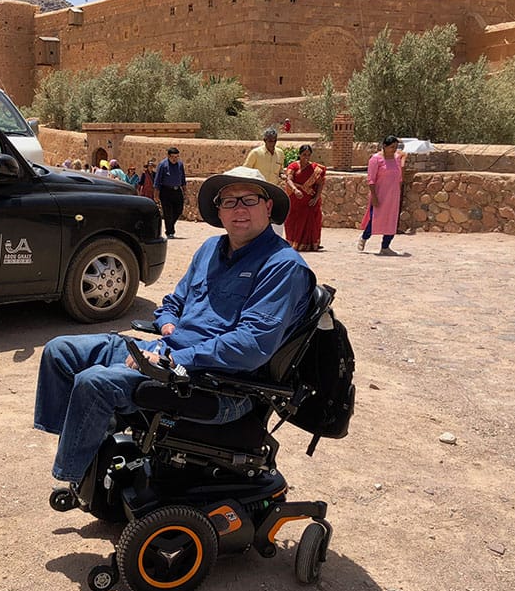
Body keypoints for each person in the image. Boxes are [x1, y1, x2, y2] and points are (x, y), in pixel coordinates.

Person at [34, 166, 315, 487]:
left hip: (219, 384)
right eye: (229, 201)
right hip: (168, 354)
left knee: (94, 382)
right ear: (218, 211)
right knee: (60, 351)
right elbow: (173, 303)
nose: (239, 208)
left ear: (268, 207)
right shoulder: (210, 248)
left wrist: (176, 359)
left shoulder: (282, 267)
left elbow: (250, 347)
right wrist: (168, 325)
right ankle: (84, 449)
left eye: (249, 200)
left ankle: (75, 478)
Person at [358, 135, 406, 256]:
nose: (394, 149)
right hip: (380, 194)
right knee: (375, 219)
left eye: (396, 147)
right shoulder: (376, 159)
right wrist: (374, 196)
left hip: (393, 195)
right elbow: (371, 179)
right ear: (384, 146)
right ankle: (364, 237)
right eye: (391, 147)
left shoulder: (396, 159)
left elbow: (400, 175)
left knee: (392, 220)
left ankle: (385, 246)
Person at [284, 144, 326, 251]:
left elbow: (320, 183)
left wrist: (316, 198)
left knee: (311, 222)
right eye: (304, 154)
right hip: (295, 200)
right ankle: (293, 242)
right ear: (299, 154)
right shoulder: (293, 166)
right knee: (292, 221)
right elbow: (288, 179)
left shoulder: (314, 169)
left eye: (308, 155)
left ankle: (309, 244)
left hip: (309, 202)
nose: (306, 157)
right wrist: (295, 189)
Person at [244, 127, 285, 236]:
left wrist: (283, 175)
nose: (273, 143)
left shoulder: (280, 153)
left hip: (273, 191)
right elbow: (246, 171)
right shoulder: (256, 153)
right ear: (264, 140)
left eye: (275, 140)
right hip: (258, 191)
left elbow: (280, 170)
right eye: (270, 140)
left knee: (275, 217)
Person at [154, 146, 186, 238]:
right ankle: (170, 232)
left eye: (177, 157)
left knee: (179, 210)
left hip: (177, 190)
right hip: (166, 191)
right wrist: (156, 195)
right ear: (168, 156)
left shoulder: (180, 164)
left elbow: (182, 178)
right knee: (168, 212)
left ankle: (170, 225)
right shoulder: (162, 165)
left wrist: (185, 190)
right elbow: (157, 181)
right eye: (173, 157)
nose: (175, 159)